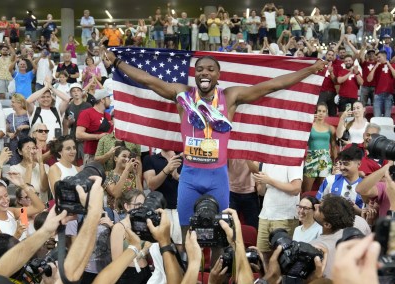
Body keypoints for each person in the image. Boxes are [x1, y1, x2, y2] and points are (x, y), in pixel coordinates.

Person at [104, 48, 325, 237]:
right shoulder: (182, 95)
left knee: (219, 235)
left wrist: (309, 70)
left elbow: (271, 86)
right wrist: (117, 62)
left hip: (218, 177)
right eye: (200, 69)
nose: (204, 73)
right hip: (190, 176)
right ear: (194, 74)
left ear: (218, 74)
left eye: (210, 69)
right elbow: (148, 81)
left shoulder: (230, 96)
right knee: (185, 235)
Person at [143, 149, 183, 250]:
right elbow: (151, 185)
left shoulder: (184, 157)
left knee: (181, 247)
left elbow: (193, 183)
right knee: (160, 246)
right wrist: (167, 169)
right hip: (161, 210)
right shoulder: (150, 159)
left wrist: (177, 177)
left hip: (181, 209)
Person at [110, 190, 152, 284]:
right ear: (126, 206)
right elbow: (116, 262)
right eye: (138, 204)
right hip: (128, 276)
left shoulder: (145, 226)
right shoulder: (119, 228)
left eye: (143, 205)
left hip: (146, 273)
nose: (142, 208)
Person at [0, 173, 44, 240]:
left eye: (6, 195)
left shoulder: (11, 212)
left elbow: (39, 207)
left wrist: (23, 186)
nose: (5, 200)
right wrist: (17, 235)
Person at [310, 195, 355, 279]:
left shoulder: (316, 246)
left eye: (319, 209)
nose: (315, 205)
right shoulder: (356, 237)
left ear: (327, 224)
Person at [316, 145, 364, 214]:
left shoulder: (365, 186)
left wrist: (358, 211)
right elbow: (318, 202)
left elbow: (369, 215)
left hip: (356, 223)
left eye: (346, 164)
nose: (341, 168)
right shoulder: (330, 180)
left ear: (358, 164)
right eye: (341, 163)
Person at [302, 102, 336, 193]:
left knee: (324, 190)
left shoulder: (331, 128)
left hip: (325, 158)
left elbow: (333, 147)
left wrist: (335, 163)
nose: (321, 113)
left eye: (323, 111)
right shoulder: (309, 126)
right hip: (311, 158)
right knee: (306, 190)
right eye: (319, 111)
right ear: (316, 112)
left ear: (326, 113)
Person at [77, 89, 113, 165]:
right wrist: (98, 136)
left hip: (107, 154)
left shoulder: (108, 115)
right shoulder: (86, 113)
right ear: (102, 100)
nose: (110, 101)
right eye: (108, 98)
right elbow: (78, 134)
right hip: (92, 154)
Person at [10, 137, 50, 203]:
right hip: (25, 209)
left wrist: (40, 162)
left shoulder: (45, 167)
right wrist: (29, 165)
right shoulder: (14, 169)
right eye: (28, 149)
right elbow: (25, 192)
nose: (31, 151)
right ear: (20, 152)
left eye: (34, 148)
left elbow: (44, 188)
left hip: (43, 207)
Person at [104, 147, 142, 211]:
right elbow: (116, 194)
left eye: (129, 157)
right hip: (113, 214)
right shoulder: (107, 174)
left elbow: (140, 195)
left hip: (130, 212)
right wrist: (126, 171)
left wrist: (137, 174)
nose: (127, 159)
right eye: (124, 156)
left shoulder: (132, 176)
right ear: (115, 158)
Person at [367, 50, 395, 117]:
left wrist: (389, 65)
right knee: (377, 116)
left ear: (384, 57)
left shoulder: (392, 65)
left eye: (379, 57)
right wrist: (375, 67)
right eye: (377, 57)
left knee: (387, 116)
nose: (377, 59)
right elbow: (369, 79)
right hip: (377, 94)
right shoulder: (376, 66)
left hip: (389, 94)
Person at [5, 94, 30, 165]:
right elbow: (6, 131)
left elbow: (34, 127)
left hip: (26, 146)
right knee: (14, 169)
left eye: (13, 102)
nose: (11, 104)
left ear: (20, 103)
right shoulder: (10, 116)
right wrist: (9, 134)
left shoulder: (28, 115)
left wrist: (26, 126)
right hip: (13, 147)